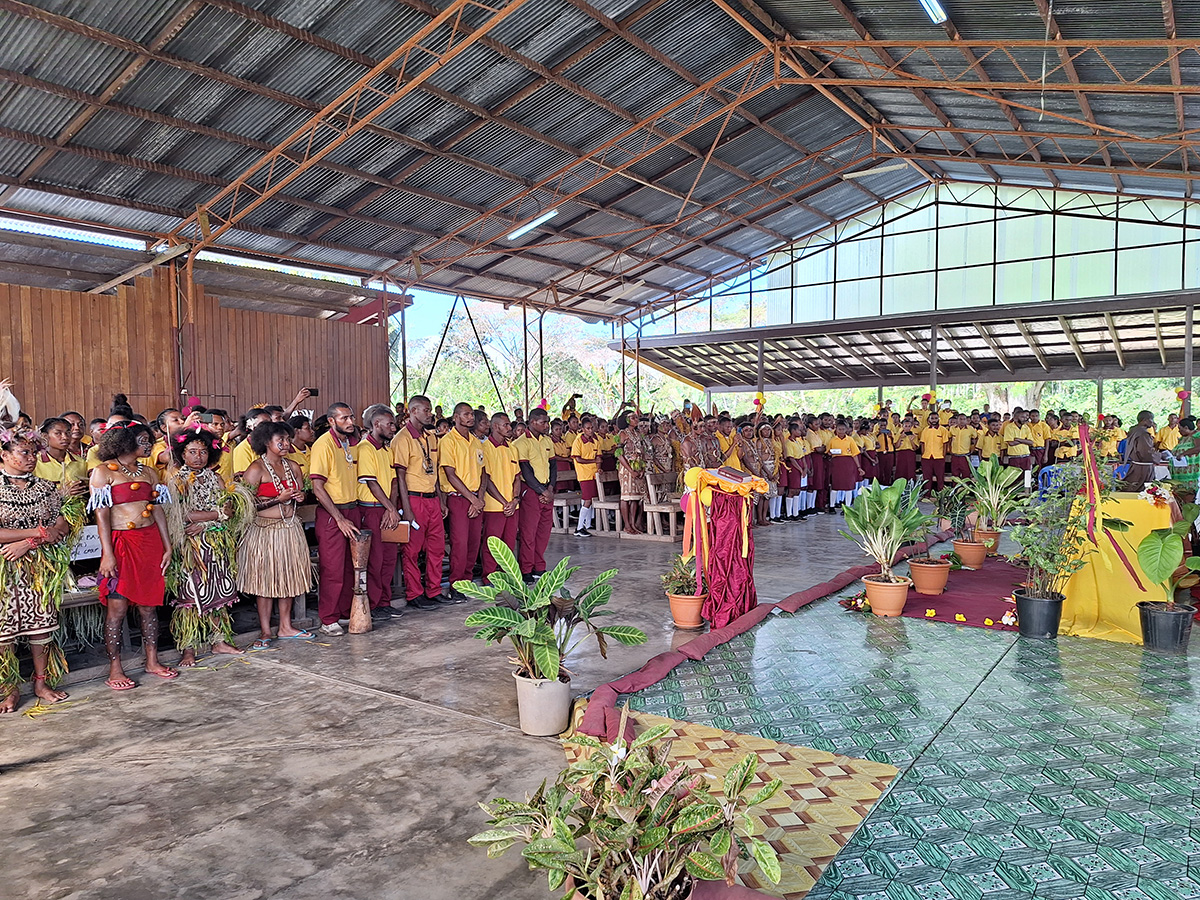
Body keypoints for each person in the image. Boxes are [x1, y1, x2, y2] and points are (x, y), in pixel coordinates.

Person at [89, 421, 176, 691]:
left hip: (149, 542)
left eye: (149, 439)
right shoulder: (103, 472)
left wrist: (167, 545)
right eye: (142, 439)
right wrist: (107, 554)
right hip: (120, 543)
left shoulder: (149, 472)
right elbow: (101, 515)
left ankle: (152, 660)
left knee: (149, 606)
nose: (148, 444)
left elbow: (157, 510)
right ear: (124, 441)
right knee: (117, 608)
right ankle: (115, 668)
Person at [0, 428, 75, 712]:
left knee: (40, 627)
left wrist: (28, 542)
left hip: (39, 568)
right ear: (4, 455)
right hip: (4, 569)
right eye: (24, 453)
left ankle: (41, 682)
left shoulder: (45, 488)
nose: (31, 458)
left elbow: (62, 527)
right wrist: (36, 533)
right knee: (3, 632)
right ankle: (10, 689)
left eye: (34, 453)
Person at [165, 428, 252, 666]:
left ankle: (218, 640)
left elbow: (229, 510)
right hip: (191, 547)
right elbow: (181, 515)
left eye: (203, 452)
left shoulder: (216, 477)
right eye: (192, 452)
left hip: (215, 543)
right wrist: (216, 515)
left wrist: (208, 522)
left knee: (219, 591)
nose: (198, 457)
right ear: (182, 455)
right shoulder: (177, 481)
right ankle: (188, 647)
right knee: (191, 594)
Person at [238, 421, 314, 646]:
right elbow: (246, 507)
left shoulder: (294, 467)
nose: (285, 444)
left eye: (287, 439)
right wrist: (276, 500)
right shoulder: (255, 469)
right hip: (264, 532)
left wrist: (299, 498)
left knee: (288, 578)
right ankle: (265, 631)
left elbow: (299, 495)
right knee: (265, 583)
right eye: (279, 441)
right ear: (266, 443)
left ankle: (285, 626)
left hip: (289, 529)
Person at [308, 403, 363, 635]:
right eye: (344, 418)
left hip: (352, 508)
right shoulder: (323, 444)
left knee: (352, 567)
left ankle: (342, 612)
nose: (350, 422)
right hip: (333, 513)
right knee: (333, 567)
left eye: (351, 417)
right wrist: (339, 518)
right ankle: (328, 617)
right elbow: (317, 487)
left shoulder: (350, 443)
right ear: (331, 421)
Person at [392, 395, 446, 610]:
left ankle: (434, 590)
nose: (430, 413)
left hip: (432, 498)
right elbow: (400, 476)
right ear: (413, 411)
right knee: (412, 550)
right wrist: (406, 509)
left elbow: (437, 472)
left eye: (430, 409)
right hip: (414, 499)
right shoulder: (402, 438)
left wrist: (441, 500)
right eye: (425, 410)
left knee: (437, 548)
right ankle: (415, 593)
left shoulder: (431, 437)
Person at [356, 405, 403, 620]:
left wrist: (392, 509)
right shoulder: (365, 448)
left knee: (389, 558)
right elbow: (371, 483)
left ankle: (385, 600)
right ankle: (374, 604)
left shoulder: (386, 449)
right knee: (375, 559)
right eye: (390, 424)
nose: (394, 427)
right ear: (376, 425)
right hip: (371, 509)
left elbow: (393, 482)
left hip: (386, 510)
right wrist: (389, 508)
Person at [441, 401, 488, 602]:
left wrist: (479, 498)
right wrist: (472, 499)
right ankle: (456, 584)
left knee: (473, 542)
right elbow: (450, 474)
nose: (470, 418)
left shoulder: (476, 442)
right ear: (456, 417)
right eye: (466, 414)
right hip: (459, 499)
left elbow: (483, 472)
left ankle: (467, 581)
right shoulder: (448, 441)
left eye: (471, 415)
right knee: (459, 544)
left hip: (476, 498)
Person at [513, 408, 556, 581]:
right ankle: (526, 569)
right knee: (528, 532)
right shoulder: (521, 443)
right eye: (543, 422)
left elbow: (553, 466)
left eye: (547, 422)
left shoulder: (547, 441)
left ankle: (539, 566)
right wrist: (542, 490)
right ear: (532, 422)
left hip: (547, 490)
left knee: (543, 531)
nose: (547, 425)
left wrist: (551, 488)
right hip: (531, 491)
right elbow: (526, 470)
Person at [481, 411, 521, 576]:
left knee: (509, 543)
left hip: (512, 505)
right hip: (494, 506)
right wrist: (505, 502)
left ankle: (508, 575)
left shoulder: (512, 448)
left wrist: (515, 500)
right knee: (492, 544)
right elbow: (487, 480)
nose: (509, 427)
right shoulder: (485, 448)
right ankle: (489, 577)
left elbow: (517, 477)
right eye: (506, 425)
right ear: (495, 426)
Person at [36, 416, 88, 500]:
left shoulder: (80, 463)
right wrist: (60, 493)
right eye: (58, 433)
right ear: (45, 436)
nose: (65, 437)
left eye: (68, 433)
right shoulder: (36, 463)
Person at [570, 415, 600, 536]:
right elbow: (578, 459)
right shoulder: (578, 441)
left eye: (591, 428)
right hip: (584, 474)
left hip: (593, 474)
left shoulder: (595, 441)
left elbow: (599, 456)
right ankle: (579, 528)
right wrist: (594, 462)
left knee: (591, 499)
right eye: (587, 428)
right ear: (582, 429)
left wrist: (598, 467)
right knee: (587, 500)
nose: (590, 430)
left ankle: (587, 524)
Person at [826, 420, 862, 509]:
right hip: (836, 464)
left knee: (848, 486)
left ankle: (847, 507)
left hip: (848, 464)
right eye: (839, 429)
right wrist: (830, 453)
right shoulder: (832, 440)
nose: (841, 431)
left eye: (843, 429)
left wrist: (858, 467)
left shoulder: (850, 440)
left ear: (846, 430)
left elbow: (854, 454)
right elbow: (828, 452)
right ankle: (832, 506)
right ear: (836, 430)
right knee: (835, 485)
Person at [1120, 411, 1159, 491]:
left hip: (1135, 464)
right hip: (1143, 468)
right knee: (1142, 490)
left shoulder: (1134, 431)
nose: (1153, 422)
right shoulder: (1143, 434)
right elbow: (1146, 453)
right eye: (1151, 419)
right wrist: (1158, 456)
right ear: (1145, 420)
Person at [231, 408, 270, 478]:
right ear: (251, 426)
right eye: (263, 423)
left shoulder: (270, 445)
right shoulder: (242, 449)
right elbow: (244, 481)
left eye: (270, 423)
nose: (269, 426)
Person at [918, 412, 949, 495]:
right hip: (926, 457)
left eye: (936, 418)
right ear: (929, 420)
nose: (934, 420)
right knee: (926, 478)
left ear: (939, 419)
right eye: (932, 418)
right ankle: (927, 495)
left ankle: (941, 495)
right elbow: (922, 443)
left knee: (940, 477)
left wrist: (943, 455)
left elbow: (945, 443)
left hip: (939, 457)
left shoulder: (943, 430)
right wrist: (923, 454)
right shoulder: (925, 430)